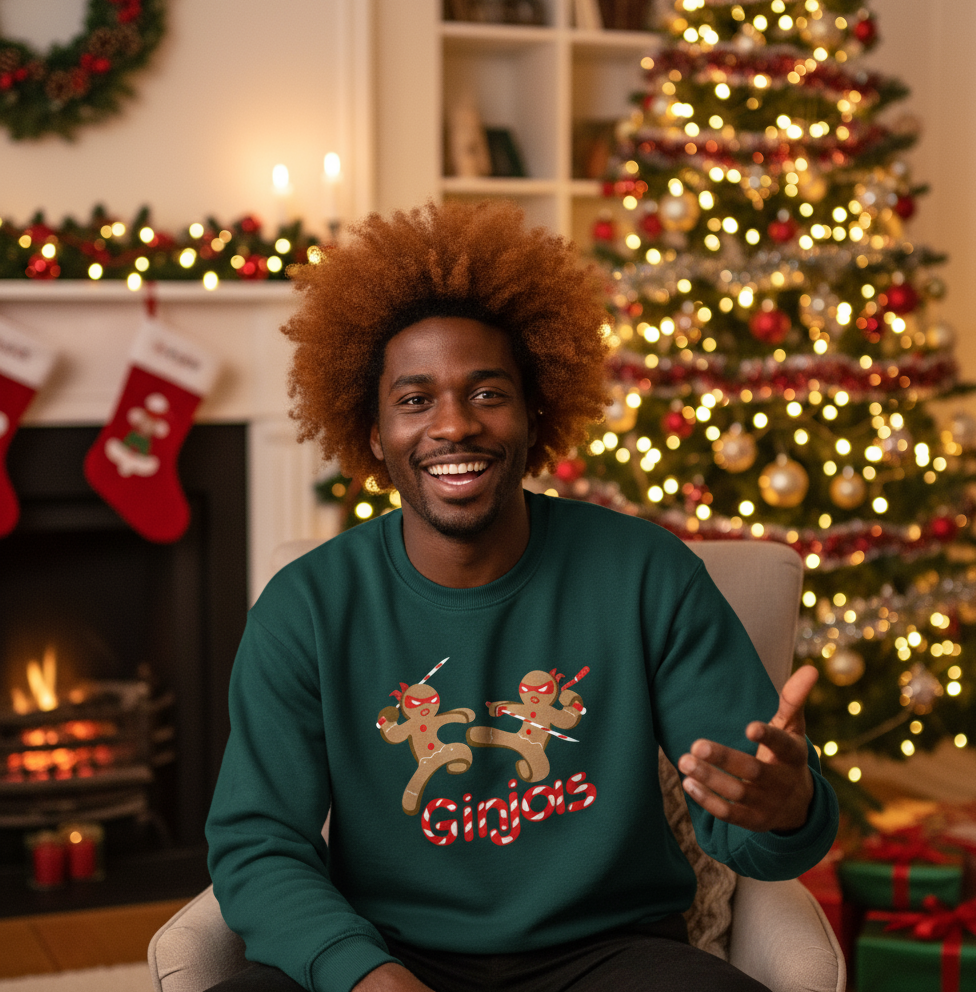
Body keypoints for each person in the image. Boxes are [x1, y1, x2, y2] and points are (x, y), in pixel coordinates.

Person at [205, 199, 839, 992]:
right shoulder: (306, 607)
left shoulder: (647, 573)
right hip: (390, 954)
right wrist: (363, 975)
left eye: (487, 393)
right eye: (414, 399)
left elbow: (751, 823)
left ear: (535, 416)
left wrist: (788, 806)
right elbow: (258, 843)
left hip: (611, 956)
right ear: (371, 432)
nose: (453, 426)